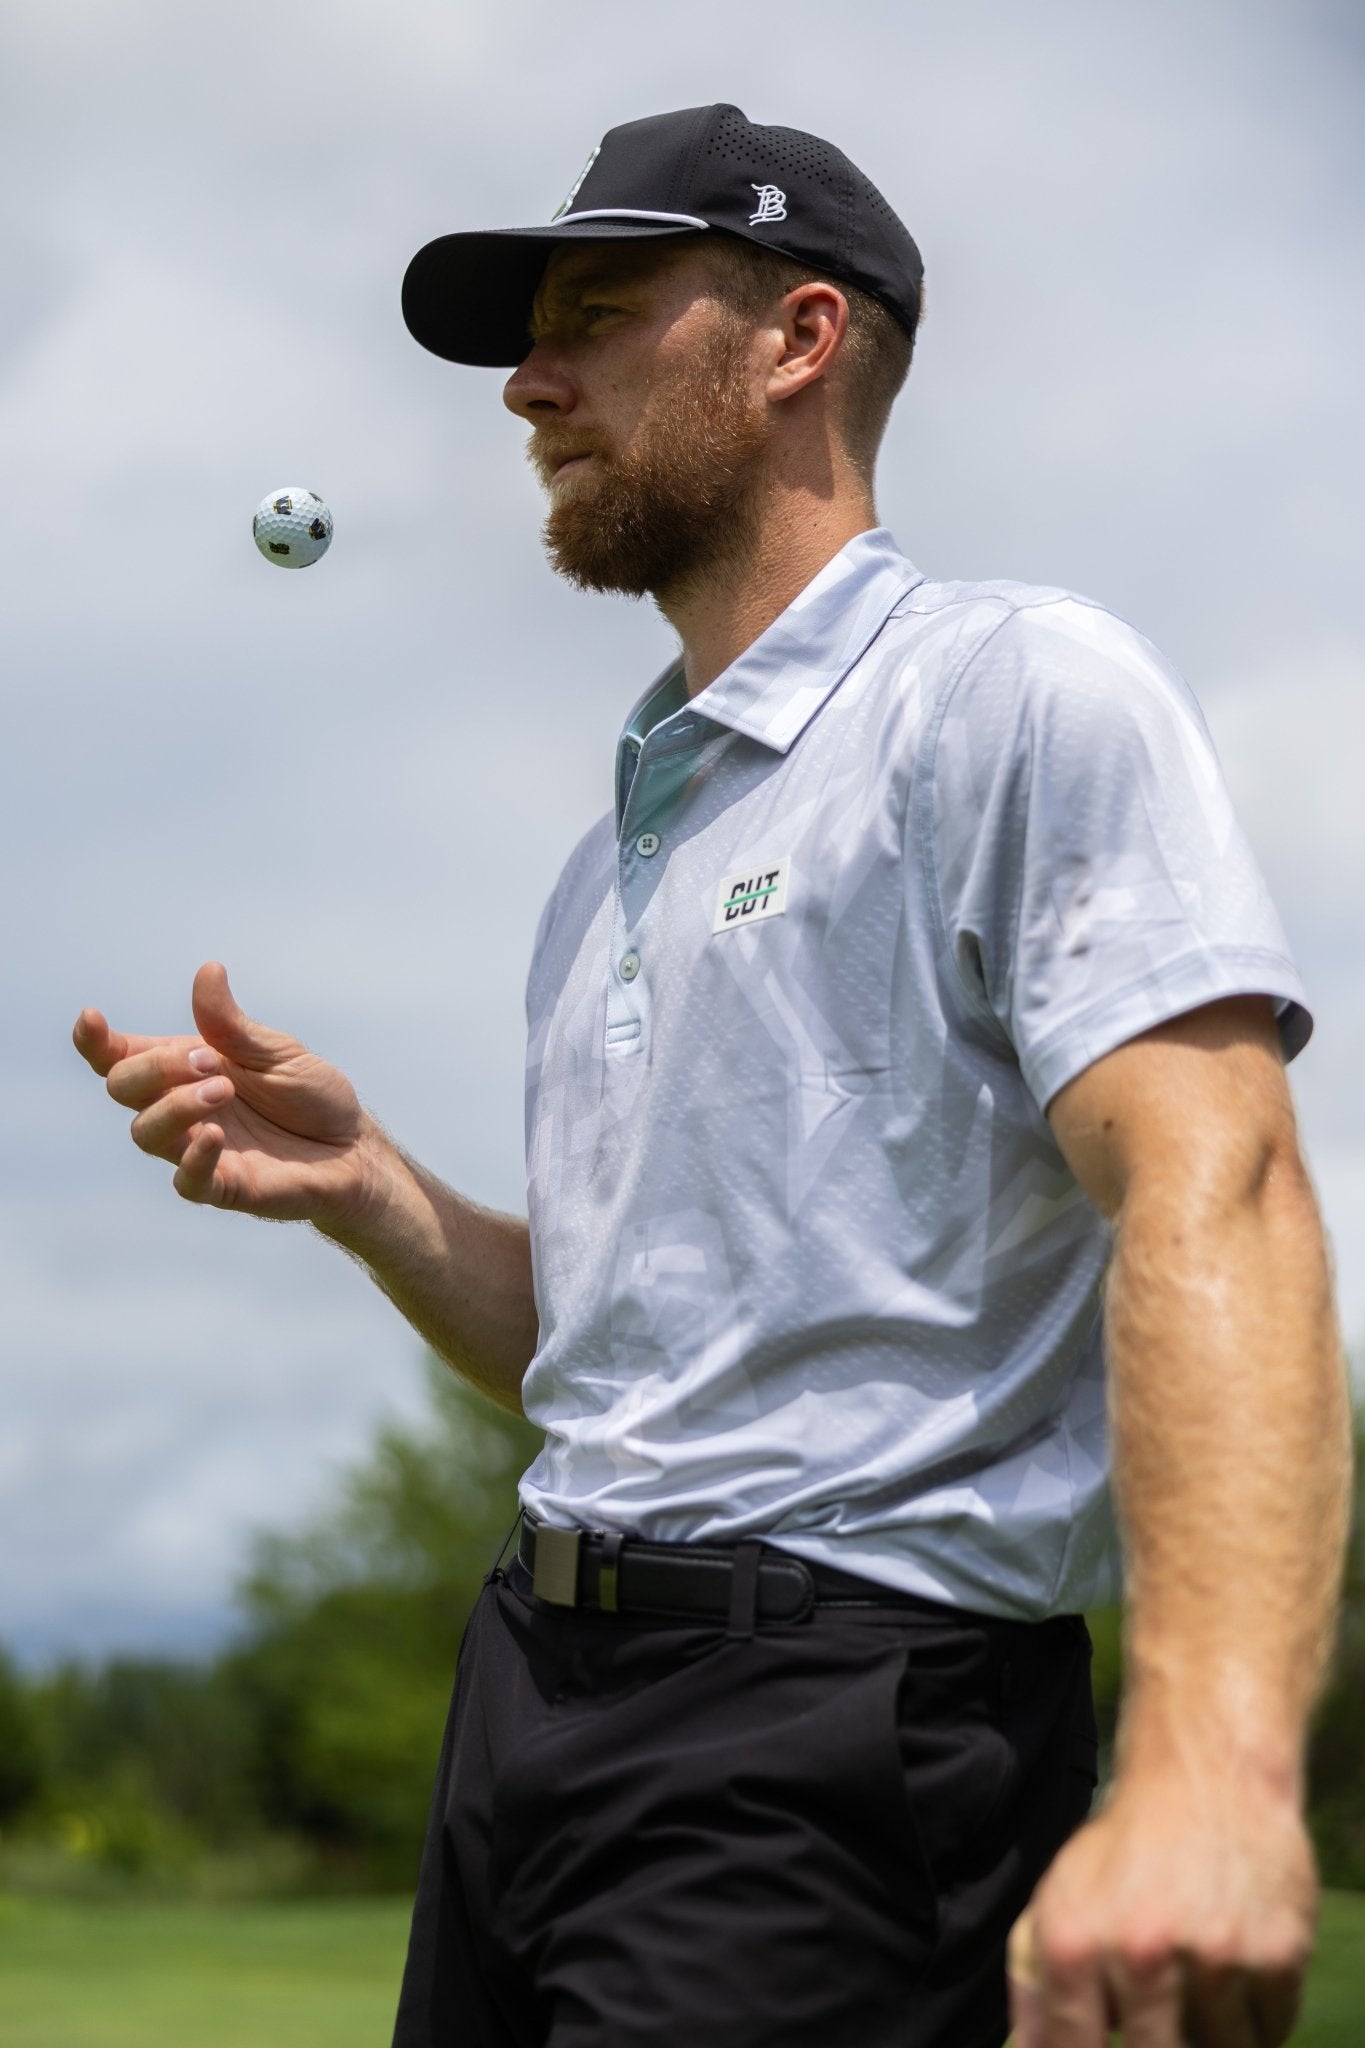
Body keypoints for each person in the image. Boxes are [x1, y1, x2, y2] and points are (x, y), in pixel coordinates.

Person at [73, 104, 1352, 2048]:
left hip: (834, 1737)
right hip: (529, 1699)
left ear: (794, 339)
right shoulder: (609, 860)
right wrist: (376, 1199)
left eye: (593, 312)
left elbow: (1222, 1189)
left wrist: (1211, 1769)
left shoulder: (1007, 693)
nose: (525, 382)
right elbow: (626, 1370)